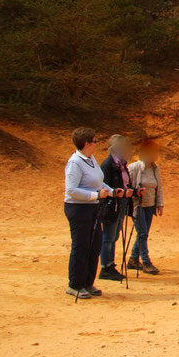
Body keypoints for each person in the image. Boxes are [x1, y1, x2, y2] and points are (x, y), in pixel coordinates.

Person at [64, 127, 114, 299]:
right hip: (78, 208)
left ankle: (87, 282)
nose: (96, 144)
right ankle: (75, 284)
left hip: (93, 207)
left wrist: (114, 191)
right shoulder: (75, 163)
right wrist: (95, 196)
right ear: (86, 143)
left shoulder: (91, 159)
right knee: (81, 246)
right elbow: (71, 190)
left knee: (94, 245)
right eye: (94, 141)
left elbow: (99, 182)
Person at [99, 134, 135, 281]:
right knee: (108, 236)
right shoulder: (108, 165)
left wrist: (133, 191)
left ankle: (110, 265)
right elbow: (104, 186)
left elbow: (125, 183)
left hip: (120, 203)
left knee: (114, 236)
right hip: (111, 205)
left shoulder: (121, 164)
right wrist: (117, 193)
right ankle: (105, 267)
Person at [128, 140, 165, 275]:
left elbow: (158, 187)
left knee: (143, 234)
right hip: (138, 206)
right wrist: (135, 193)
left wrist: (159, 204)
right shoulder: (134, 168)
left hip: (150, 205)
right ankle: (146, 261)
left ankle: (133, 259)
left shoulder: (155, 168)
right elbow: (128, 187)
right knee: (142, 233)